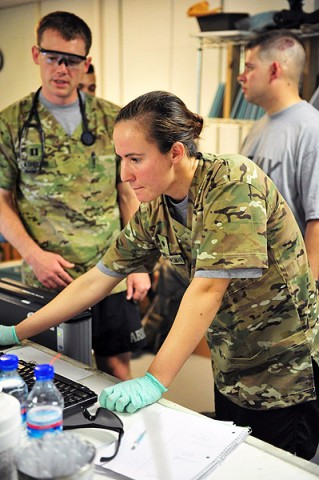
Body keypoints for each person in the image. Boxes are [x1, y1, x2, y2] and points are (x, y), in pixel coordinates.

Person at [1, 90, 319, 459]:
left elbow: (207, 291)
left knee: (274, 466)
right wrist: (18, 331)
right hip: (232, 365)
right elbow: (98, 279)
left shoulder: (234, 185)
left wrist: (154, 379)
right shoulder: (159, 208)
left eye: (135, 158)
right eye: (120, 159)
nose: (124, 174)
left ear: (176, 152)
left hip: (284, 371)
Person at [0, 11, 150, 380]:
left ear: (87, 63)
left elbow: (128, 195)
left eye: (72, 60)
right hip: (48, 278)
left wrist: (138, 263)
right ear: (36, 55)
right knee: (51, 372)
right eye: (53, 58)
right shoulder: (10, 124)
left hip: (110, 271)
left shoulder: (113, 120)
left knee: (116, 369)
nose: (62, 69)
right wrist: (33, 257)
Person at [239, 29, 319, 282]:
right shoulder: (259, 126)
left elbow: (316, 221)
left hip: (288, 292)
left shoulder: (311, 130)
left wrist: (309, 294)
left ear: (274, 70)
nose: (241, 77)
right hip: (256, 287)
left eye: (250, 67)